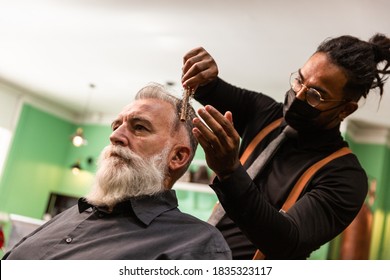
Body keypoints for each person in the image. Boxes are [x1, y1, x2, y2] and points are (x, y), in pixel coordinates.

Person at [181, 33, 390, 259]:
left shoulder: (345, 177)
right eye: (299, 80)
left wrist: (230, 173)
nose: (298, 96)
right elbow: (208, 87)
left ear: (345, 110)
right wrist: (202, 72)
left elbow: (286, 242)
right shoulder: (265, 114)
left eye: (315, 95)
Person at [2, 83, 232, 260]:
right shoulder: (73, 215)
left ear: (177, 157)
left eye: (139, 127)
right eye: (116, 126)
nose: (115, 136)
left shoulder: (197, 244)